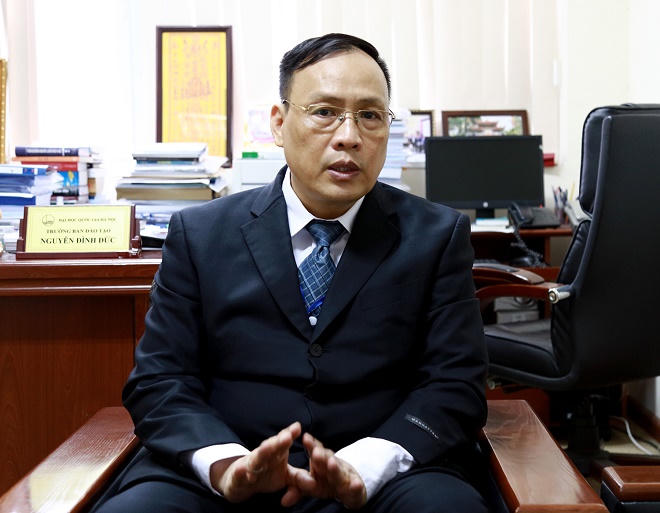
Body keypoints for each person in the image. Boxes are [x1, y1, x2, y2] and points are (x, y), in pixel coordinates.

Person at [94, 33, 489, 513]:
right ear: (279, 124)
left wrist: (365, 466)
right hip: (221, 474)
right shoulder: (200, 234)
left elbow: (455, 384)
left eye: (370, 115)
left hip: (385, 477)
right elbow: (160, 379)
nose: (349, 136)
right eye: (325, 112)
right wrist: (226, 465)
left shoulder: (436, 236)